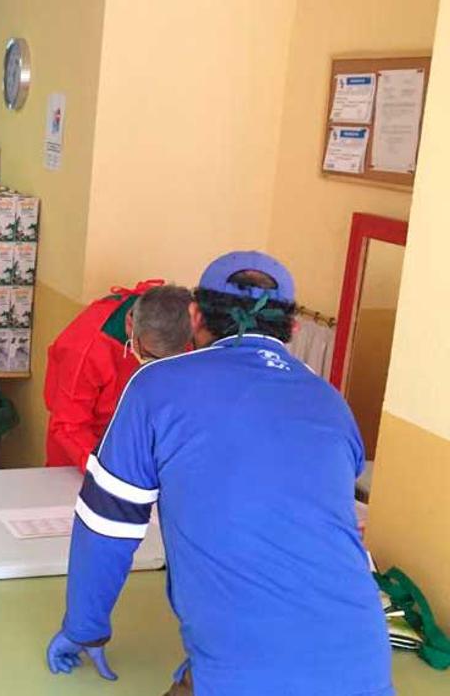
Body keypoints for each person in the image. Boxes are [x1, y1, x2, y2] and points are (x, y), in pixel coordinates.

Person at [46, 252, 391, 696]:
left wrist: (85, 627)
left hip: (241, 670)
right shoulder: (331, 402)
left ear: (194, 317)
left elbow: (107, 527)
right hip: (363, 659)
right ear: (294, 329)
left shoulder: (157, 385)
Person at [43, 281, 193, 471]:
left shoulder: (171, 315)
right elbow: (69, 426)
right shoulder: (84, 352)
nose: (158, 365)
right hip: (84, 449)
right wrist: (107, 470)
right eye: (151, 355)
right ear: (131, 324)